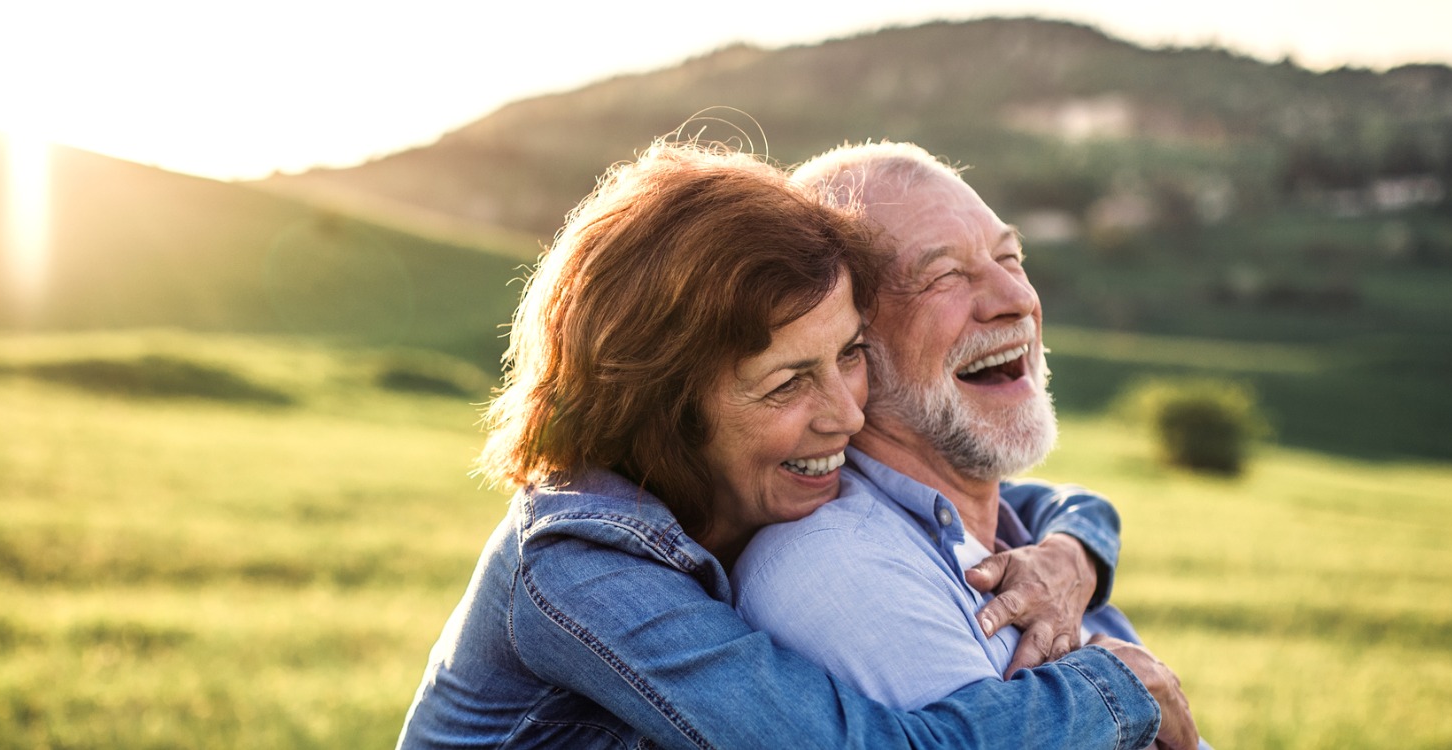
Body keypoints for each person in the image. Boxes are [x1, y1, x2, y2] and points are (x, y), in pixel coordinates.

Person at [397, 141, 1173, 749]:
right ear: (666, 410)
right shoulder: (579, 571)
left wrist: (1075, 551)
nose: (844, 415)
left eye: (850, 355)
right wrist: (1119, 688)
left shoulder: (741, 489)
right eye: (787, 384)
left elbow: (1024, 503)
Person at [733, 141, 1203, 749]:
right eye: (943, 275)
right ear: (845, 340)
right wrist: (1138, 695)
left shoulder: (1026, 542)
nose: (1016, 300)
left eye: (1010, 257)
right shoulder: (838, 564)